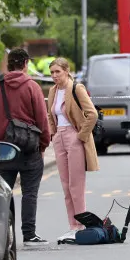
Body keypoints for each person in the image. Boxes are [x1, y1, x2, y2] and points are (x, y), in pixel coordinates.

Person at [0, 48, 51, 245]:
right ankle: (29, 235)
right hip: (29, 149)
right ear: (25, 64)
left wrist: (1, 128)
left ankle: (0, 237)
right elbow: (41, 120)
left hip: (4, 149)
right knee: (30, 193)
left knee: (2, 193)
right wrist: (43, 144)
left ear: (9, 64)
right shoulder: (32, 87)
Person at [46, 58, 100, 239]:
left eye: (57, 72)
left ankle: (82, 225)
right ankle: (73, 226)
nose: (54, 76)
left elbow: (92, 114)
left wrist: (80, 136)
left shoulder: (76, 88)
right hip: (59, 137)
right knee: (66, 186)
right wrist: (53, 133)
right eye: (52, 72)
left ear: (67, 71)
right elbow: (50, 114)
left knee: (76, 186)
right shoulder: (53, 90)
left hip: (74, 135)